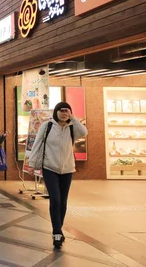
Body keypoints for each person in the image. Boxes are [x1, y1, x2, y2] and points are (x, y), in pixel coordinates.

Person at [28, 102, 87, 249]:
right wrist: (32, 163)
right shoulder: (47, 126)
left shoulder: (72, 128)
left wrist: (72, 118)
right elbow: (37, 144)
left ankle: (58, 228)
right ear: (56, 112)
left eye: (67, 111)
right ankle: (56, 232)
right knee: (55, 199)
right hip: (50, 167)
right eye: (61, 111)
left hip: (67, 169)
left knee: (63, 202)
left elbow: (84, 132)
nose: (64, 113)